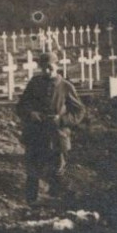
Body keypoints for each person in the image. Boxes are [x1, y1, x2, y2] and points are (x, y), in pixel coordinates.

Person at [15, 50, 85, 204]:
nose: (46, 71)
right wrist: (31, 113)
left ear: (56, 65)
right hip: (36, 135)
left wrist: (61, 120)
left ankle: (58, 204)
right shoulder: (34, 83)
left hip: (57, 136)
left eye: (49, 67)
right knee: (32, 171)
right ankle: (31, 203)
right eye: (43, 68)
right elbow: (21, 106)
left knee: (57, 171)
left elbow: (79, 111)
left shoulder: (66, 86)